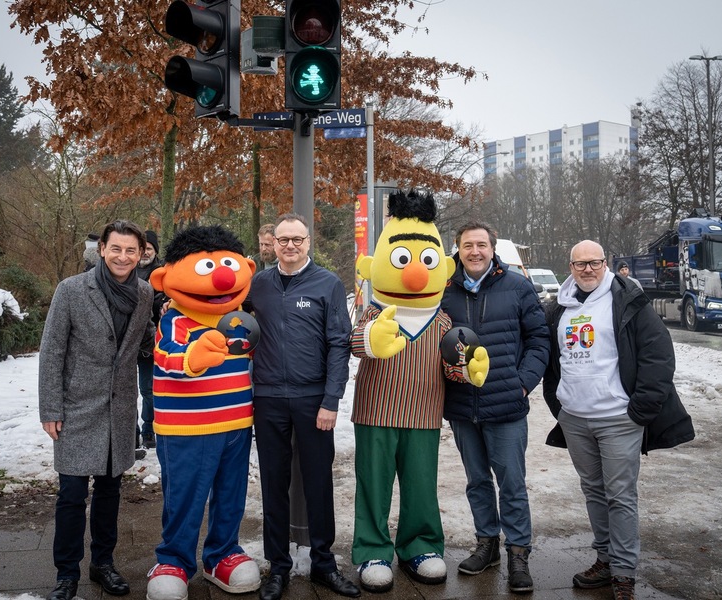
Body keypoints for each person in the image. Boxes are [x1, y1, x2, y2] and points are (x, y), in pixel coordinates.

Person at [350, 190, 489, 593]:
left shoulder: (444, 320)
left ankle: (420, 545)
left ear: (442, 268)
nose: (413, 272)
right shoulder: (374, 312)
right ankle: (372, 549)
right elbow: (354, 342)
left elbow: (452, 365)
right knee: (373, 485)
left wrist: (468, 370)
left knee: (420, 486)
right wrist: (371, 339)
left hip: (424, 414)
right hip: (375, 412)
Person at [542, 240, 695, 600]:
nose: (588, 270)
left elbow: (658, 356)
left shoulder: (629, 300)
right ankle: (604, 559)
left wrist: (639, 410)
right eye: (580, 264)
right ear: (571, 266)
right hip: (575, 419)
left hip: (618, 419)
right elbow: (551, 359)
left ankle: (623, 572)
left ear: (605, 263)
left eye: (594, 262)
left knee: (620, 496)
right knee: (593, 490)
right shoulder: (558, 308)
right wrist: (560, 407)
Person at [39, 220, 156, 600]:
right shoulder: (72, 290)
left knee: (110, 492)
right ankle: (66, 573)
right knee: (72, 494)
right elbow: (52, 351)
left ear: (141, 255)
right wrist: (50, 408)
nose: (123, 256)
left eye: (131, 251)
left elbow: (146, 339)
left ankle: (103, 563)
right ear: (102, 249)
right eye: (117, 249)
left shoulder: (144, 293)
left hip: (120, 408)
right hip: (76, 408)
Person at [247, 213, 360, 600]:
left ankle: (323, 564)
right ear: (272, 243)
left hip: (314, 401)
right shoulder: (258, 285)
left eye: (297, 239)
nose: (290, 246)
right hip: (267, 398)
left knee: (317, 483)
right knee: (273, 484)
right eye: (283, 240)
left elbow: (339, 346)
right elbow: (226, 320)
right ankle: (278, 567)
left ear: (308, 242)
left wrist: (331, 400)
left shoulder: (327, 284)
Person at [145, 226, 261, 599]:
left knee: (231, 493)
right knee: (184, 496)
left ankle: (222, 554)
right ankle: (174, 559)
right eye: (205, 268)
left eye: (228, 266)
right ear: (165, 279)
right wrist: (192, 358)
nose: (222, 277)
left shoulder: (242, 318)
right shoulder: (175, 319)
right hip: (187, 427)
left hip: (237, 423)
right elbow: (164, 356)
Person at [440, 220, 550, 593]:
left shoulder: (517, 286)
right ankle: (487, 544)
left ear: (493, 248)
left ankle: (518, 553)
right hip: (462, 406)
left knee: (512, 483)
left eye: (481, 245)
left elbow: (539, 340)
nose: (474, 252)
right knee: (477, 482)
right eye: (467, 245)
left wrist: (523, 383)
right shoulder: (445, 289)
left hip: (506, 404)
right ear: (457, 249)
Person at [135, 229, 165, 449]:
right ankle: (130, 431)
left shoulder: (162, 275)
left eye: (149, 249)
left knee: (148, 389)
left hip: (150, 340)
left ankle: (148, 430)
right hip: (125, 341)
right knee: (126, 390)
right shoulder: (125, 271)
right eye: (142, 249)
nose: (145, 253)